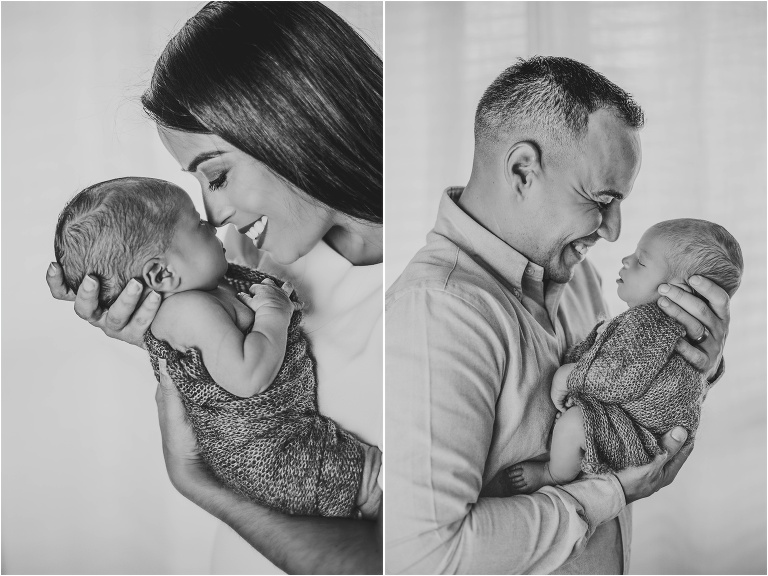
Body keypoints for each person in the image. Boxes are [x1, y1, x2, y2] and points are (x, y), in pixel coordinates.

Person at [47, 2, 382, 573]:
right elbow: (226, 366)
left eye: (218, 175)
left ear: (298, 121)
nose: (216, 214)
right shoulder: (248, 260)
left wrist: (200, 484)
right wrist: (156, 331)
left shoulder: (427, 293)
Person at [385, 57, 730, 574]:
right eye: (602, 198)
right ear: (523, 170)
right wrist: (606, 493)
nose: (614, 231)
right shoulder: (438, 313)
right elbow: (425, 557)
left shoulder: (577, 272)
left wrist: (698, 359)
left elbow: (621, 389)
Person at [54, 177, 382, 519]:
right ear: (162, 274)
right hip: (267, 452)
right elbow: (248, 377)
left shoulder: (208, 289)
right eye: (196, 224)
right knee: (367, 479)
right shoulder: (189, 311)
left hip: (281, 438)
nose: (212, 224)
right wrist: (273, 314)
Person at [486, 219, 742, 495]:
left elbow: (618, 378)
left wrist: (570, 376)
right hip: (640, 431)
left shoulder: (651, 323)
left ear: (682, 293)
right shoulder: (661, 328)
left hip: (637, 436)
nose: (626, 259)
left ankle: (552, 473)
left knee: (574, 424)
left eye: (641, 262)